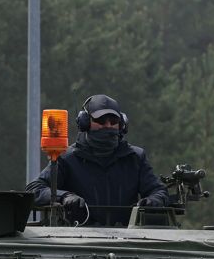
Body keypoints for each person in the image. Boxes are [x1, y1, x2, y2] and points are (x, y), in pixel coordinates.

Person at [26, 94, 168, 226]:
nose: (108, 126)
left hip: (128, 240)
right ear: (85, 122)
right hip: (76, 239)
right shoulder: (67, 158)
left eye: (113, 121)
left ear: (122, 124)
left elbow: (158, 190)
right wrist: (64, 197)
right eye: (101, 121)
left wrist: (153, 201)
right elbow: (35, 189)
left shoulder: (135, 158)